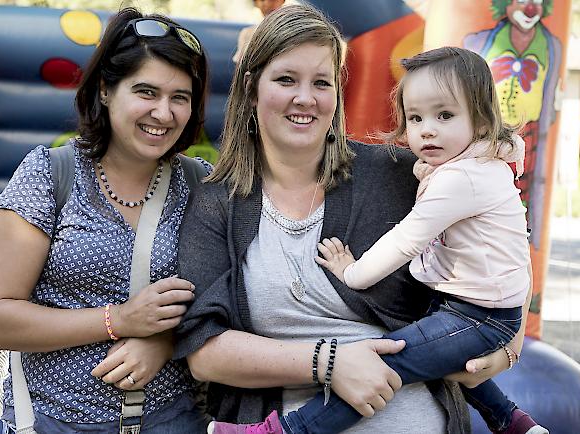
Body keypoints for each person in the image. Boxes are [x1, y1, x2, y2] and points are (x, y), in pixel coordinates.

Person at [174, 5, 524, 434]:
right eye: (286, 80)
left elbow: (503, 231)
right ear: (251, 87)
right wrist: (328, 362)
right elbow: (205, 352)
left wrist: (511, 344)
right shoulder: (218, 203)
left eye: (321, 83)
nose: (305, 98)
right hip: (288, 417)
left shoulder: (401, 171)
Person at [0, 7, 210, 434]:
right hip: (53, 421)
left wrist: (165, 340)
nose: (164, 112)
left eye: (180, 97)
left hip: (173, 419)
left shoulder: (200, 184)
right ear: (105, 89)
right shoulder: (50, 175)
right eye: (146, 92)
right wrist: (118, 320)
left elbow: (226, 300)